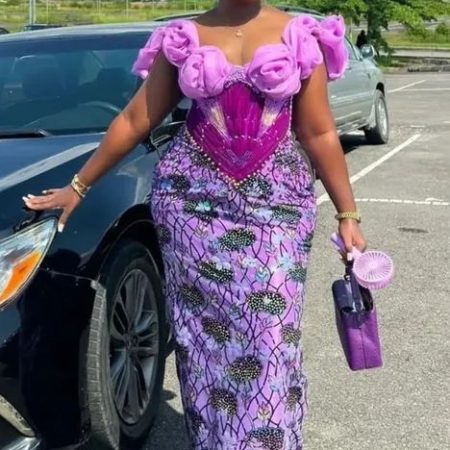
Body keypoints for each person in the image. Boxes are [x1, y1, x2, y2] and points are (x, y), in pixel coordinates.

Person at [24, 2, 366, 448]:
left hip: (278, 208)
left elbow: (318, 133)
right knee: (204, 342)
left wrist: (347, 213)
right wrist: (79, 186)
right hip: (191, 210)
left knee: (270, 338)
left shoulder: (301, 36)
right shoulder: (183, 37)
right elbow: (136, 118)